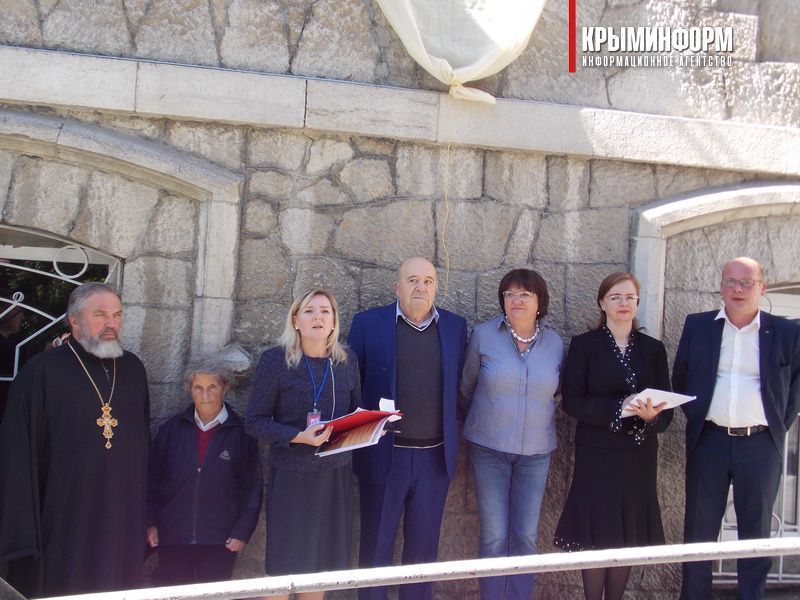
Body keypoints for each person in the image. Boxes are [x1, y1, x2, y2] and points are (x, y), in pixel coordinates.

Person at [0, 282, 150, 596]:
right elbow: (17, 453)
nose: (111, 323)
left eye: (117, 315)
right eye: (100, 314)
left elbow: (143, 448)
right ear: (75, 320)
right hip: (64, 512)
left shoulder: (133, 369)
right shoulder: (41, 371)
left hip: (120, 511)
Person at [674, 257, 800, 599]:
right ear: (720, 286)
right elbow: (682, 377)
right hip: (709, 441)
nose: (738, 289)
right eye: (730, 281)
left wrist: (774, 426)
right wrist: (702, 417)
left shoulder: (788, 331)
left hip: (760, 445)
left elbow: (793, 391)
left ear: (763, 287)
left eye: (746, 282)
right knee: (698, 530)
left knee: (755, 533)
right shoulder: (698, 326)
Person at [348, 256, 467, 600]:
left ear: (436, 287)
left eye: (428, 281)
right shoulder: (368, 324)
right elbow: (353, 388)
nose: (421, 287)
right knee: (376, 546)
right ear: (397, 287)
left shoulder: (455, 327)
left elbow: (459, 387)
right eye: (412, 280)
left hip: (434, 459)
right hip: (386, 457)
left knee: (423, 552)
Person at [554, 272, 672, 600]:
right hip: (597, 455)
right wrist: (620, 407)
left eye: (630, 298)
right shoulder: (584, 345)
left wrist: (651, 418)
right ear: (602, 303)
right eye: (616, 297)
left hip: (639, 457)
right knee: (597, 534)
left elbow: (668, 414)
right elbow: (572, 401)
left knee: (626, 534)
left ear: (637, 303)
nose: (623, 303)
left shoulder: (653, 349)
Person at [246, 289, 360, 600]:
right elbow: (254, 421)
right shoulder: (275, 361)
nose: (318, 317)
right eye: (310, 311)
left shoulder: (347, 362)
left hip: (334, 477)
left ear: (334, 321)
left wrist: (374, 425)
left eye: (326, 311)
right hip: (292, 477)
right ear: (296, 320)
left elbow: (355, 411)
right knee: (284, 568)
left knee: (320, 569)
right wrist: (297, 436)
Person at [461, 268, 563, 600]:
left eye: (524, 294)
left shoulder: (556, 344)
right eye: (509, 294)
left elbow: (557, 394)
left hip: (535, 453)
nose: (516, 300)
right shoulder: (483, 336)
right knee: (493, 536)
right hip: (489, 450)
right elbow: (466, 389)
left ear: (540, 302)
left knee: (525, 536)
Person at [147, 357, 262, 585]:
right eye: (198, 388)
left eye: (212, 387)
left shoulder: (241, 434)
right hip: (173, 535)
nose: (205, 395)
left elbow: (252, 487)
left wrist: (242, 531)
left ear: (225, 387)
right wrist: (150, 522)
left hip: (221, 538)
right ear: (190, 390)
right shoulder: (171, 430)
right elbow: (151, 481)